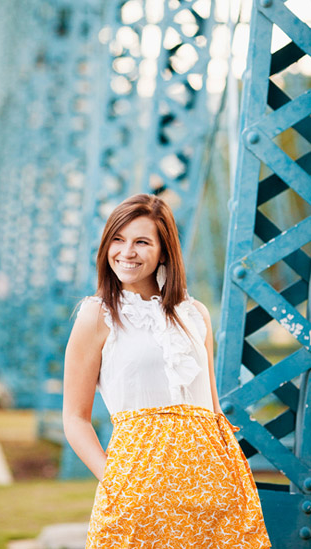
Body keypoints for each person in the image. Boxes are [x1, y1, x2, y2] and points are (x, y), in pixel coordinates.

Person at [63, 194, 270, 548]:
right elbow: (75, 418)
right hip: (137, 493)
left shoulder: (195, 314)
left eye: (142, 242)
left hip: (214, 489)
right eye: (118, 239)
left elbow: (212, 408)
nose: (126, 252)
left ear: (163, 251)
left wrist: (233, 478)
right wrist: (114, 481)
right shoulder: (96, 316)